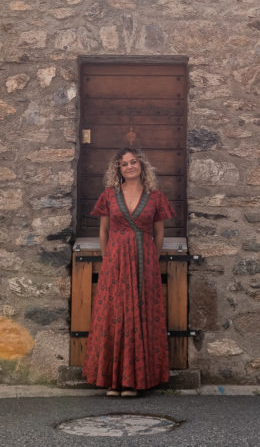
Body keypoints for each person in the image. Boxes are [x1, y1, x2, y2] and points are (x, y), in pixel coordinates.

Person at [82, 147, 175, 396]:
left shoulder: (155, 196)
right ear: (118, 169)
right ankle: (113, 381)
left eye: (133, 162)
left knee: (141, 316)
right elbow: (103, 230)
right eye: (124, 164)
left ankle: (135, 381)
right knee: (114, 314)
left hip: (145, 261)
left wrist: (153, 261)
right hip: (115, 260)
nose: (130, 166)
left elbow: (159, 232)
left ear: (142, 165)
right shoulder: (109, 195)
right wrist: (107, 257)